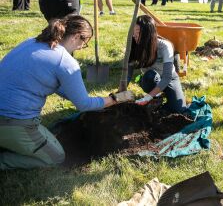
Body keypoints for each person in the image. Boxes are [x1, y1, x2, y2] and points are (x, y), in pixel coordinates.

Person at [0, 15, 133, 170]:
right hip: (14, 122)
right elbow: (83, 105)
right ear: (76, 37)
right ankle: (4, 160)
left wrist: (83, 97)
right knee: (56, 157)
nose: (82, 47)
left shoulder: (31, 42)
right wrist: (115, 98)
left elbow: (57, 86)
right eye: (85, 42)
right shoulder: (65, 62)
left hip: (6, 116)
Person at [128, 15, 187, 113]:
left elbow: (167, 77)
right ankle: (156, 96)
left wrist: (147, 97)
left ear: (148, 33)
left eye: (137, 32)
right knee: (150, 75)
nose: (134, 35)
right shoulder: (134, 44)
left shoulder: (164, 46)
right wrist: (121, 91)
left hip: (169, 78)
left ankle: (158, 96)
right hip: (150, 78)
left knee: (179, 109)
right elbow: (128, 71)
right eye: (133, 32)